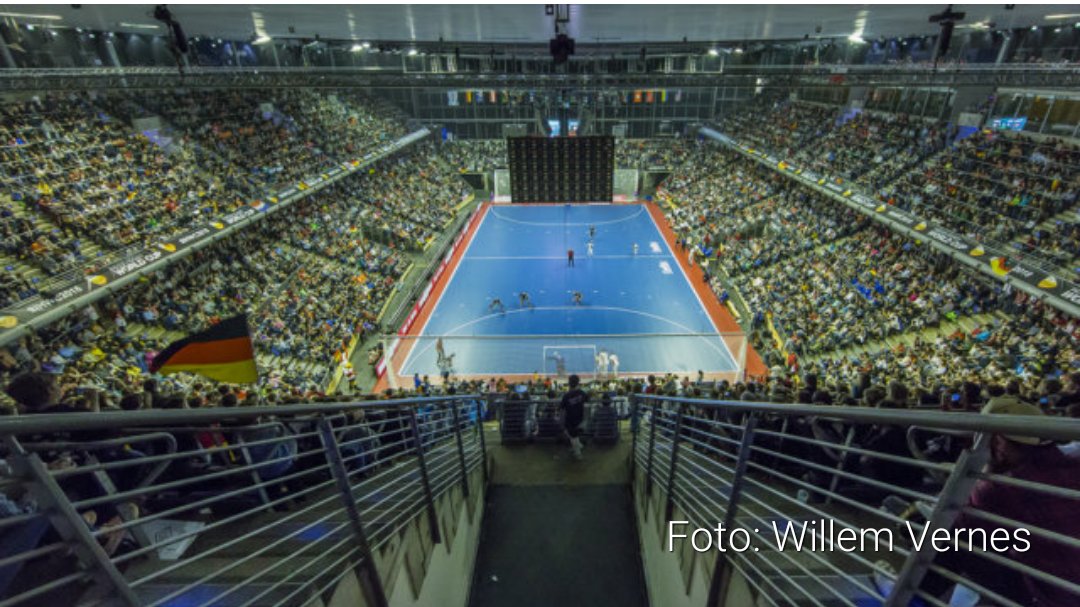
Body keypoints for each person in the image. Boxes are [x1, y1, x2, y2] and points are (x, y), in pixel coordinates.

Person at [560, 374, 588, 460]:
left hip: (570, 421)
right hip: (581, 419)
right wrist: (585, 419)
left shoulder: (566, 396)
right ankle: (578, 445)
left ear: (569, 383)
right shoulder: (582, 393)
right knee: (574, 435)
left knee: (572, 435)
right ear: (578, 383)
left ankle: (578, 453)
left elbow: (562, 411)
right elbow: (587, 405)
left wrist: (561, 422)